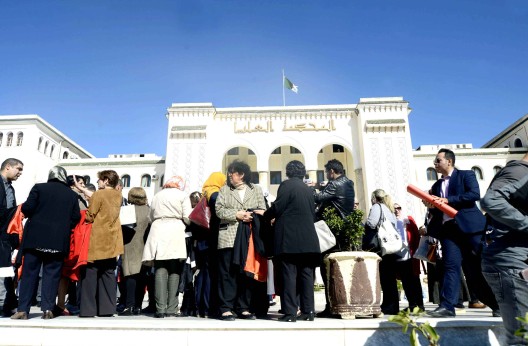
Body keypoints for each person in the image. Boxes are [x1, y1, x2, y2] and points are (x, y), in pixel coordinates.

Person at [424, 148, 499, 318]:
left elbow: (474, 195)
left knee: (475, 270)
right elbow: (438, 210)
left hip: (470, 228)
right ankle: (447, 306)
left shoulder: (466, 175)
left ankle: (497, 304)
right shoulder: (436, 186)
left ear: (448, 161)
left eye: (437, 160)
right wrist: (430, 205)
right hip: (449, 232)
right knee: (451, 266)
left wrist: (448, 200)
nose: (435, 164)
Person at [11, 166, 81, 320]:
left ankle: (23, 310)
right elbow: (76, 217)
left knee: (29, 274)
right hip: (57, 241)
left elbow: (27, 209)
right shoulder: (71, 195)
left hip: (34, 239)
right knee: (52, 274)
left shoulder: (39, 188)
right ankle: (48, 309)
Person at [260, 160, 320, 322]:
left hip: (289, 239)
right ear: (303, 173)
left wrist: (265, 214)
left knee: (289, 275)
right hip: (308, 239)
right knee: (307, 276)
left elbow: (278, 207)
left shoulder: (286, 186)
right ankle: (308, 312)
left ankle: (290, 313)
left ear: (288, 172)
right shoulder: (308, 190)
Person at [480, 154, 528, 345]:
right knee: (522, 338)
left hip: (517, 262)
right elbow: (490, 201)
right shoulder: (519, 171)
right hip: (510, 264)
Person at [215, 161, 266, 321]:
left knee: (246, 273)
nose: (229, 175)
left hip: (249, 237)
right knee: (228, 273)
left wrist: (254, 214)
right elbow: (219, 210)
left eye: (232, 172)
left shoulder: (256, 189)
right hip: (229, 236)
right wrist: (236, 214)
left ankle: (243, 307)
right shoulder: (224, 190)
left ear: (241, 174)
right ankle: (226, 308)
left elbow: (262, 208)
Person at [310, 159, 355, 317]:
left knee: (327, 268)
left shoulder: (334, 185)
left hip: (331, 232)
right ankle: (341, 303)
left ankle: (332, 305)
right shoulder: (348, 182)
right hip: (344, 230)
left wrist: (309, 189)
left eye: (327, 172)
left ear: (331, 171)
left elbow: (318, 198)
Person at [142, 176, 191, 318]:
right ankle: (172, 308)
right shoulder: (182, 195)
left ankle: (160, 308)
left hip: (158, 230)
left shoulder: (157, 195)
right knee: (175, 269)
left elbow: (150, 217)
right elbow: (187, 217)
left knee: (160, 268)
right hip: (175, 230)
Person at [79, 170, 124, 317]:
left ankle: (88, 310)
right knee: (108, 274)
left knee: (90, 274)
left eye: (99, 180)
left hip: (97, 238)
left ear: (105, 180)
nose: (97, 182)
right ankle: (107, 309)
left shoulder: (99, 194)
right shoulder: (119, 196)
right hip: (112, 239)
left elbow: (91, 215)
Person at [195, 172, 226, 318]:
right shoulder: (214, 193)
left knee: (204, 274)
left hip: (203, 241)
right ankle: (209, 307)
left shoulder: (204, 193)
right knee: (212, 274)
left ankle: (201, 307)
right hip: (212, 240)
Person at [364, 189, 397, 315]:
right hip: (390, 246)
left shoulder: (377, 207)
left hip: (381, 246)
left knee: (384, 276)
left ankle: (388, 305)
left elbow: (371, 224)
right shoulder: (389, 209)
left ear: (374, 198)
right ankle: (393, 304)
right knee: (390, 277)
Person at [119, 187, 150, 316]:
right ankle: (138, 305)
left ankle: (129, 305)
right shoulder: (149, 210)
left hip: (130, 245)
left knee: (130, 275)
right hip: (145, 245)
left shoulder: (127, 209)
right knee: (142, 276)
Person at [0, 158, 23, 317]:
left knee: (6, 270)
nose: (20, 173)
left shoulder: (10, 188)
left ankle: (6, 303)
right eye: (18, 169)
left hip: (4, 236)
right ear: (8, 167)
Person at [392, 202, 424, 313]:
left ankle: (420, 305)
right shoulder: (391, 222)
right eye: (394, 208)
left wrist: (417, 252)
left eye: (398, 208)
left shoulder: (408, 219)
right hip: (399, 255)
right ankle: (412, 304)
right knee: (405, 281)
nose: (396, 210)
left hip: (411, 254)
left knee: (415, 280)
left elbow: (416, 235)